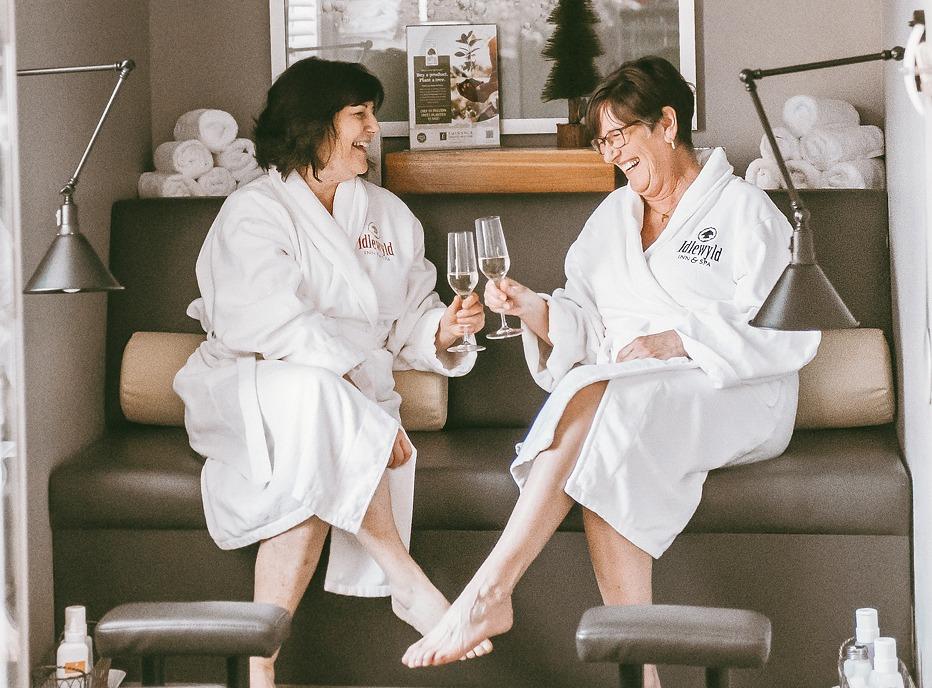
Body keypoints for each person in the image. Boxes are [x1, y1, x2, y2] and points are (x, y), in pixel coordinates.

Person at [401, 55, 822, 686]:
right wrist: (535, 309)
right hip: (634, 393)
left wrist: (675, 340)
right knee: (612, 422)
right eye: (603, 140)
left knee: (612, 404)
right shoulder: (612, 219)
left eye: (619, 135)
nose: (611, 153)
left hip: (736, 391)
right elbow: (587, 323)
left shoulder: (742, 210)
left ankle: (489, 594)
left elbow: (789, 332)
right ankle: (638, 674)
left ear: (667, 123)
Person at [172, 57, 489, 688]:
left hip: (336, 397)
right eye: (360, 115)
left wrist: (446, 330)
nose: (374, 129)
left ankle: (261, 670)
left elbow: (406, 322)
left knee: (313, 459)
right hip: (251, 384)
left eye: (372, 114)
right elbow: (266, 321)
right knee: (320, 405)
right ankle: (404, 576)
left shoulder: (389, 216)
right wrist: (354, 397)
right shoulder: (255, 211)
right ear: (314, 126)